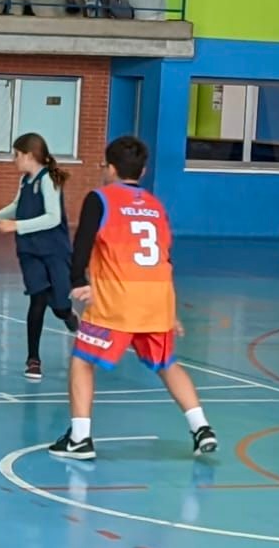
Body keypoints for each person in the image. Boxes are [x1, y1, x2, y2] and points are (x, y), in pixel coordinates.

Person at [49, 135, 218, 460]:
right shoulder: (156, 205)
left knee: (83, 361)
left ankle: (80, 439)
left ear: (110, 168)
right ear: (142, 173)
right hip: (157, 299)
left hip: (117, 300)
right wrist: (171, 309)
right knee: (167, 364)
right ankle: (201, 428)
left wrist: (76, 281)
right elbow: (165, 258)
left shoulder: (100, 198)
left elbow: (81, 244)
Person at [0, 133, 79, 381]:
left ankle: (69, 315)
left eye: (16, 155)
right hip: (30, 251)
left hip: (54, 251)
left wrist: (16, 226)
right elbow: (16, 205)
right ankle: (33, 360)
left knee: (59, 306)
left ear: (30, 155)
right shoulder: (25, 181)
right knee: (38, 299)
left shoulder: (49, 181)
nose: (14, 160)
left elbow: (53, 218)